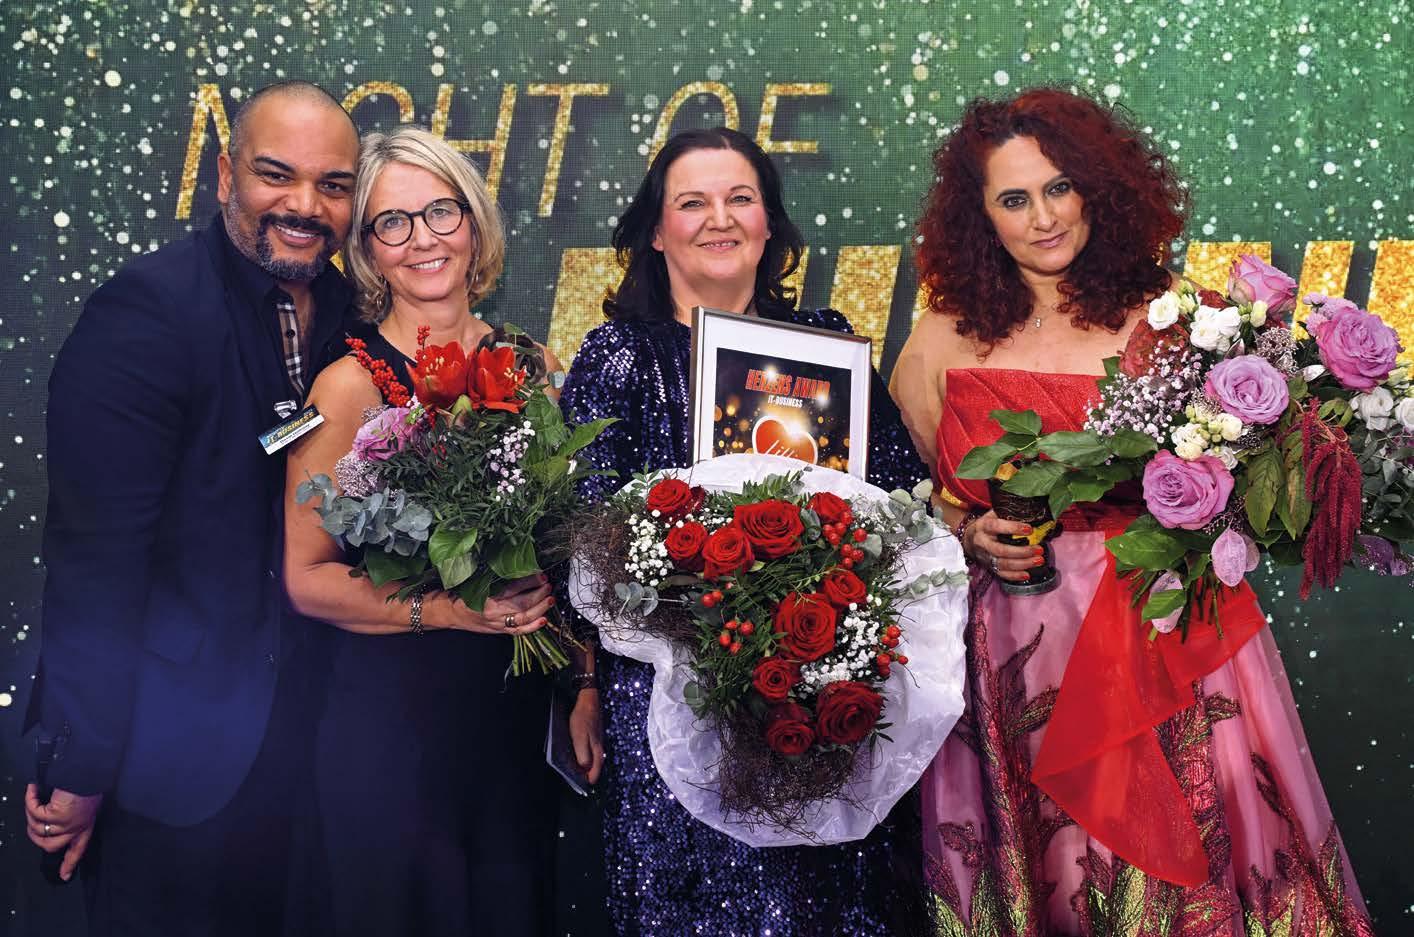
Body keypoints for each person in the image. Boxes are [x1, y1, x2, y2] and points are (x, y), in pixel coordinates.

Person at [891, 87, 1373, 933]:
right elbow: (915, 504)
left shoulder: (1176, 315)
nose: (1044, 217)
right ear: (980, 216)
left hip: (1164, 639)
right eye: (1014, 198)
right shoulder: (939, 336)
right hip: (1013, 647)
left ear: (1098, 189)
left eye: (1059, 187)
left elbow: (1244, 471)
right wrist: (969, 531)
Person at [559, 126, 931, 936]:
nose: (719, 218)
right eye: (692, 202)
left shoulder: (826, 346)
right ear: (658, 233)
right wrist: (585, 681)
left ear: (769, 226)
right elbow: (580, 537)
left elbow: (901, 498)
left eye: (740, 199)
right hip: (671, 702)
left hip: (822, 687)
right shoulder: (619, 356)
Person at [24, 81, 359, 935]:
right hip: (173, 760)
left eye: (332, 184)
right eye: (276, 175)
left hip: (325, 758)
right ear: (224, 175)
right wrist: (79, 763)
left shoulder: (357, 312)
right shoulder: (146, 313)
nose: (305, 205)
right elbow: (95, 561)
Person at [282, 125, 602, 937]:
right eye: (393, 222)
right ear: (368, 250)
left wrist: (582, 680)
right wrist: (452, 610)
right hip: (392, 737)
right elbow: (305, 577)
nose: (422, 238)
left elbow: (562, 549)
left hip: (506, 730)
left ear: (473, 221)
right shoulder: (348, 384)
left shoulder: (529, 363)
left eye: (439, 212)